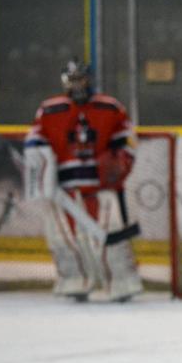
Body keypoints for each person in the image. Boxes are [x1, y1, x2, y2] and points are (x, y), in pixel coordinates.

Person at [24, 58, 142, 302]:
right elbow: (35, 143)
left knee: (112, 235)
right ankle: (75, 280)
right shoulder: (49, 110)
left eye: (81, 79)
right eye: (72, 80)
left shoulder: (110, 107)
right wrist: (42, 169)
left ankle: (121, 282)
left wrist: (120, 164)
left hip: (102, 187)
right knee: (62, 237)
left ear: (90, 79)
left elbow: (127, 140)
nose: (77, 85)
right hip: (63, 189)